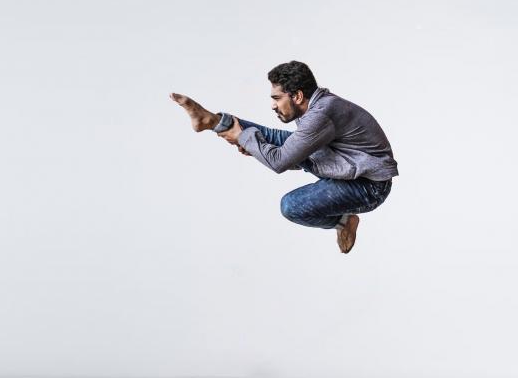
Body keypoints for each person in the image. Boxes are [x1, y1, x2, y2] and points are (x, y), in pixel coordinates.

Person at [170, 61, 398, 253]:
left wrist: (248, 140)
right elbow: (289, 153)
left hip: (368, 186)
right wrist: (254, 144)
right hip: (343, 164)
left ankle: (344, 220)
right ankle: (212, 121)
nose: (273, 105)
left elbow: (279, 162)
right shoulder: (316, 107)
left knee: (291, 206)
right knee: (272, 139)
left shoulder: (321, 114)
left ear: (297, 96)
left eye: (277, 98)